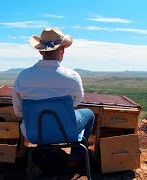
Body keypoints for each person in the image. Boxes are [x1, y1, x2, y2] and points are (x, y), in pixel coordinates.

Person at [12, 27, 95, 163]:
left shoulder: (23, 77)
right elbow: (77, 101)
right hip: (66, 131)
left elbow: (18, 112)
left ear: (40, 51)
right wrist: (59, 109)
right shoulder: (72, 77)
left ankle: (44, 154)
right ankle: (76, 156)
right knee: (89, 114)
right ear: (62, 50)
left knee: (36, 121)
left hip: (34, 134)